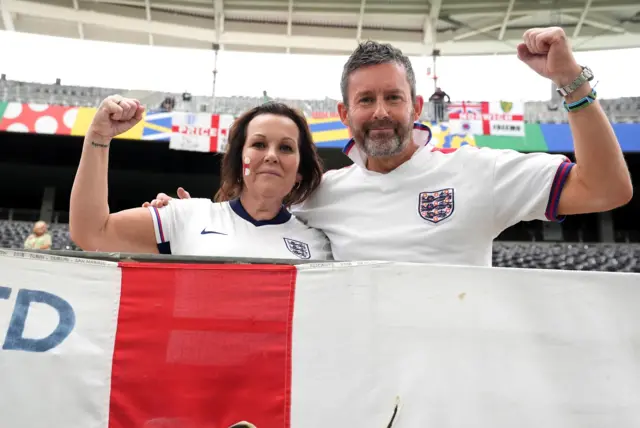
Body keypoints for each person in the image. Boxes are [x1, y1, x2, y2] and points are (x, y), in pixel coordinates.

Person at [145, 27, 632, 267]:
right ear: (344, 114)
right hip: (362, 392)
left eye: (392, 97)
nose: (379, 111)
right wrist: (193, 217)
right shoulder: (319, 194)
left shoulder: (477, 172)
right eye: (366, 99)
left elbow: (607, 188)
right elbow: (253, 215)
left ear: (416, 106)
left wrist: (571, 83)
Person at [70, 100, 332, 261]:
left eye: (286, 148)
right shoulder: (187, 215)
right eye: (259, 144)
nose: (272, 156)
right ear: (240, 161)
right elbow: (92, 233)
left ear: (300, 170)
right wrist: (98, 137)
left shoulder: (320, 246)